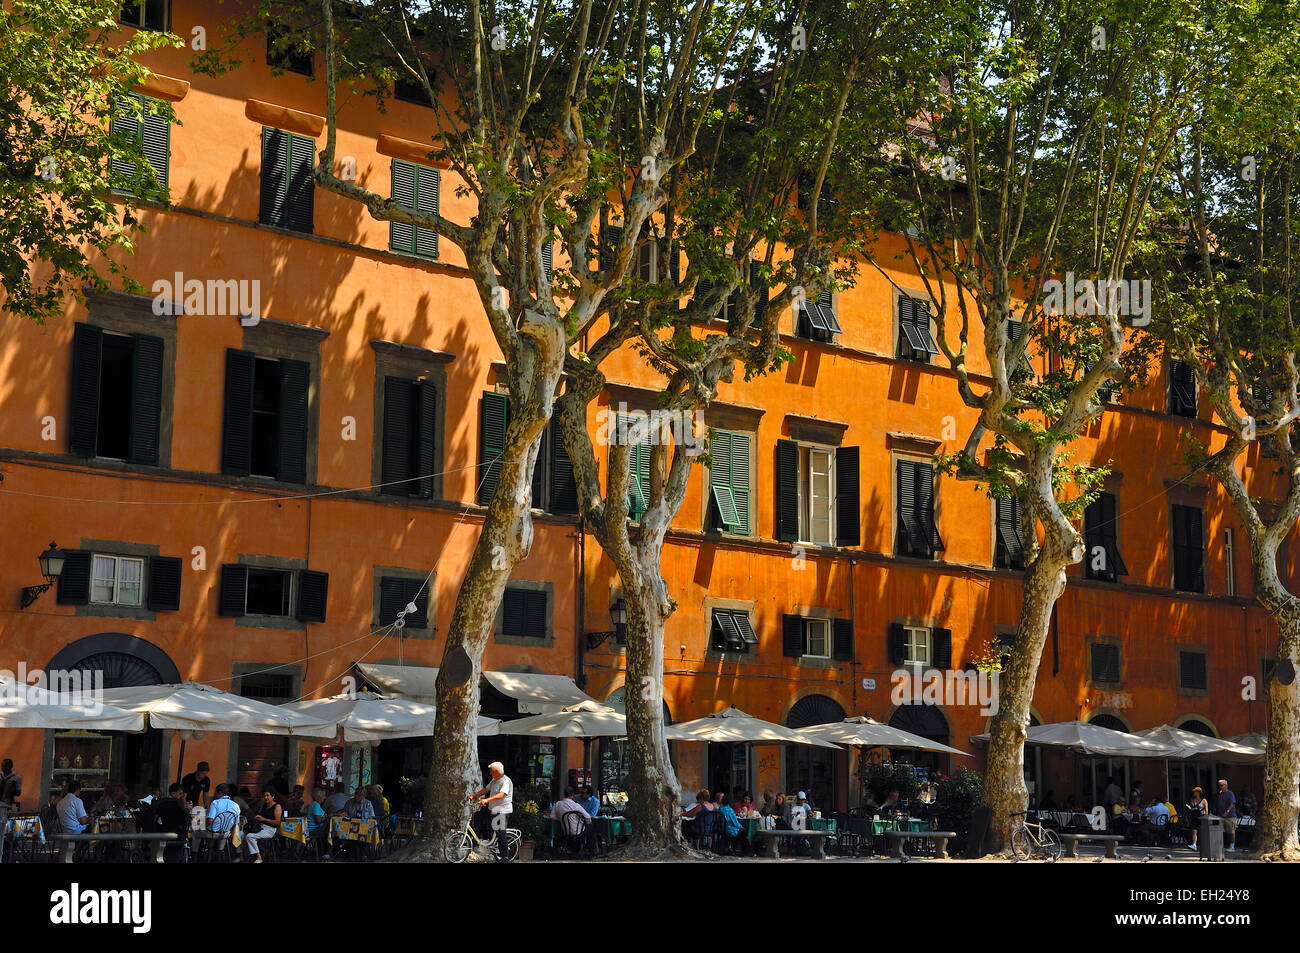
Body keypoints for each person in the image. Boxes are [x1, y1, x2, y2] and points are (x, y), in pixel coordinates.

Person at [468, 762, 513, 837]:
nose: (490, 773)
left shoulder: (506, 781)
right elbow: (486, 789)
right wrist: (473, 796)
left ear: (496, 772)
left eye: (491, 771)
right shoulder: (494, 780)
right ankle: (480, 843)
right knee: (479, 817)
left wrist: (486, 800)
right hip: (493, 809)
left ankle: (504, 849)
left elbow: (501, 795)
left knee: (501, 835)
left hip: (502, 811)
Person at [552, 786, 598, 853]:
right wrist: (587, 823)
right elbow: (588, 817)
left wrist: (562, 819)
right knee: (591, 829)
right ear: (572, 795)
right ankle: (592, 851)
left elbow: (552, 816)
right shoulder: (576, 805)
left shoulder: (558, 804)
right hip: (577, 831)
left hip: (565, 830)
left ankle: (573, 848)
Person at [244, 787, 282, 863]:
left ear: (273, 796)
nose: (265, 797)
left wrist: (264, 819)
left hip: (270, 830)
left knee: (249, 836)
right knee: (242, 833)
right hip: (261, 827)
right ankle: (242, 856)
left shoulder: (277, 806)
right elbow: (258, 814)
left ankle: (259, 858)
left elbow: (277, 822)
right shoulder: (264, 805)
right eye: (264, 796)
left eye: (268, 795)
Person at [1213, 779, 1238, 852]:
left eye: (1221, 785)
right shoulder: (1220, 794)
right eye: (1219, 785)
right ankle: (1221, 845)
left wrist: (1227, 811)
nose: (1220, 787)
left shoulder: (1230, 793)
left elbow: (1232, 803)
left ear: (1226, 785)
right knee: (1221, 831)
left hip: (1230, 816)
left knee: (1231, 831)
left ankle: (1232, 846)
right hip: (1220, 816)